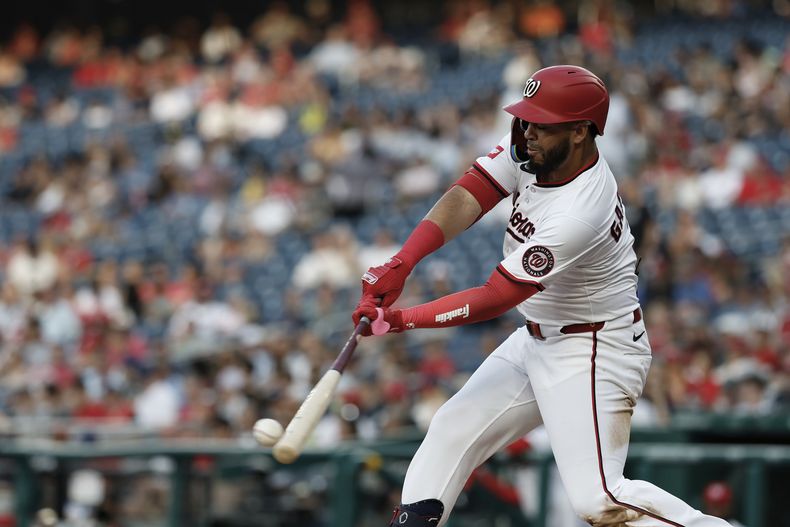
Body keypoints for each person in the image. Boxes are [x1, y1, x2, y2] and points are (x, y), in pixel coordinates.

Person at [352, 65, 733, 527]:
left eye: (542, 123)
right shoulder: (537, 153)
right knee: (451, 431)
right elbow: (472, 191)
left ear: (579, 132)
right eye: (527, 118)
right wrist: (402, 262)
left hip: (593, 348)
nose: (528, 130)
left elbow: (496, 296)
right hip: (538, 338)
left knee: (600, 499)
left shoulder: (581, 210)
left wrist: (402, 319)